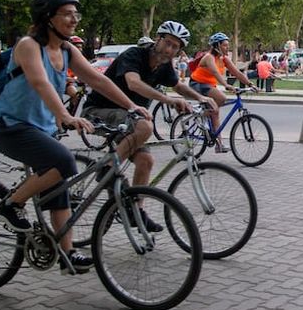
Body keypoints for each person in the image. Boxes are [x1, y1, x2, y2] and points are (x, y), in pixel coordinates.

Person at [0, 0, 150, 274]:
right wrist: (65, 116)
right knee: (63, 161)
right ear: (48, 18)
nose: (74, 19)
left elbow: (97, 80)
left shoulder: (66, 49)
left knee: (59, 185)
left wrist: (131, 106)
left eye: (76, 14)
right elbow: (40, 82)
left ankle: (67, 254)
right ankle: (10, 206)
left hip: (41, 128)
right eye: (67, 14)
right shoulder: (28, 46)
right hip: (10, 125)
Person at [82, 20, 217, 229]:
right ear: (157, 39)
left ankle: (136, 211)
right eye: (167, 43)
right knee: (145, 126)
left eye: (175, 47)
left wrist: (200, 98)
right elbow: (133, 83)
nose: (169, 49)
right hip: (99, 111)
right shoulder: (134, 55)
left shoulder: (164, 66)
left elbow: (178, 86)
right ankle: (107, 170)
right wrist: (167, 100)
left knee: (146, 161)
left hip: (128, 119)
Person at [189, 32, 256, 152]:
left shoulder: (224, 59)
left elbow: (237, 72)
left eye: (228, 45)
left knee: (215, 112)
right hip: (197, 84)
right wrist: (226, 85)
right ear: (217, 46)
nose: (227, 48)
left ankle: (219, 145)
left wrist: (250, 84)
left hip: (209, 85)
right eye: (225, 45)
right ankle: (201, 115)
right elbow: (215, 72)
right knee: (222, 98)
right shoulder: (209, 57)